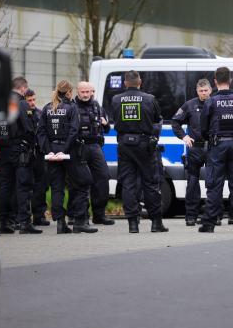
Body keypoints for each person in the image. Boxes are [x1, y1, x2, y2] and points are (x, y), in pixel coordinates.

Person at [110, 70, 168, 233]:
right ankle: (156, 223)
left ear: (125, 83)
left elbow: (115, 118)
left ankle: (132, 224)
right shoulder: (149, 99)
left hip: (124, 144)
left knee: (128, 183)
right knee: (150, 183)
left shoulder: (116, 99)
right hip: (145, 145)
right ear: (140, 82)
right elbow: (157, 121)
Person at [38, 80, 97, 234]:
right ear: (70, 92)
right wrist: (63, 151)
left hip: (52, 154)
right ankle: (79, 222)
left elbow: (41, 132)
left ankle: (60, 223)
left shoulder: (47, 108)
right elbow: (74, 131)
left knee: (57, 188)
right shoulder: (72, 108)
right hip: (70, 152)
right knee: (83, 184)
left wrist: (49, 151)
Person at [198, 67, 233, 233]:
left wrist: (212, 139)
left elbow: (203, 128)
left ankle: (209, 223)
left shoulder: (211, 101)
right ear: (230, 80)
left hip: (217, 145)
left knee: (214, 185)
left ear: (214, 81)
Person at [0, 76, 41, 234]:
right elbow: (29, 128)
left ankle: (2, 222)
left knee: (5, 187)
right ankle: (24, 222)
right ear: (23, 89)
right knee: (23, 186)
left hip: (2, 151)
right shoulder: (22, 104)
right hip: (19, 150)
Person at [171, 78, 212, 226]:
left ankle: (213, 215)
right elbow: (175, 122)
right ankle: (191, 216)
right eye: (201, 91)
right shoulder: (189, 105)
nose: (203, 93)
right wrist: (184, 136)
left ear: (210, 90)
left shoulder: (215, 103)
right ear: (197, 91)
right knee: (193, 182)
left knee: (213, 182)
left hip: (213, 147)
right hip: (195, 148)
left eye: (206, 90)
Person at [75, 82, 115, 226]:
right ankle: (79, 216)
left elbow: (107, 128)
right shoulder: (73, 107)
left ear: (92, 92)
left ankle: (99, 215)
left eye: (88, 92)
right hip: (79, 147)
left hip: (96, 146)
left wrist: (105, 124)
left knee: (103, 178)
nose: (85, 94)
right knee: (80, 182)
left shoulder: (97, 106)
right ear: (78, 92)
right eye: (83, 92)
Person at [24, 88, 50, 226]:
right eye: (29, 100)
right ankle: (24, 216)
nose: (32, 103)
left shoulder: (40, 113)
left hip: (40, 154)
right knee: (26, 186)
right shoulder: (22, 114)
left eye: (34, 100)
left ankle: (39, 215)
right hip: (27, 153)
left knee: (41, 185)